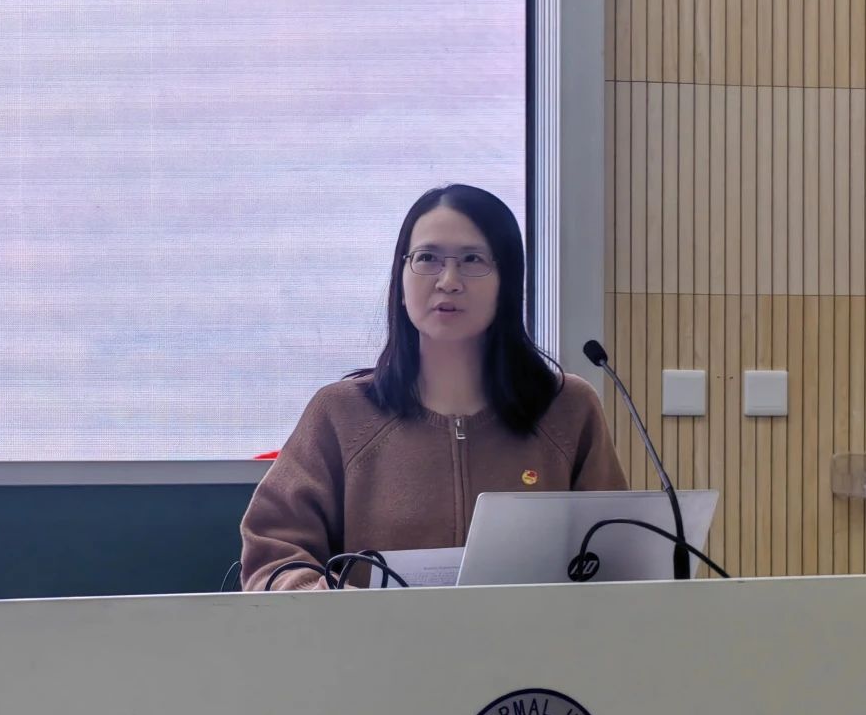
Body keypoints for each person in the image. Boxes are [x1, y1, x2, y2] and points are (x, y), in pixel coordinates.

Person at [239, 184, 627, 591]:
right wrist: (347, 605)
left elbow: (619, 558)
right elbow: (273, 558)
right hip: (371, 633)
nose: (449, 280)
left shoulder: (568, 408)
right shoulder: (341, 413)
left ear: (507, 282)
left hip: (536, 633)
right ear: (401, 280)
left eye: (472, 259)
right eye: (427, 258)